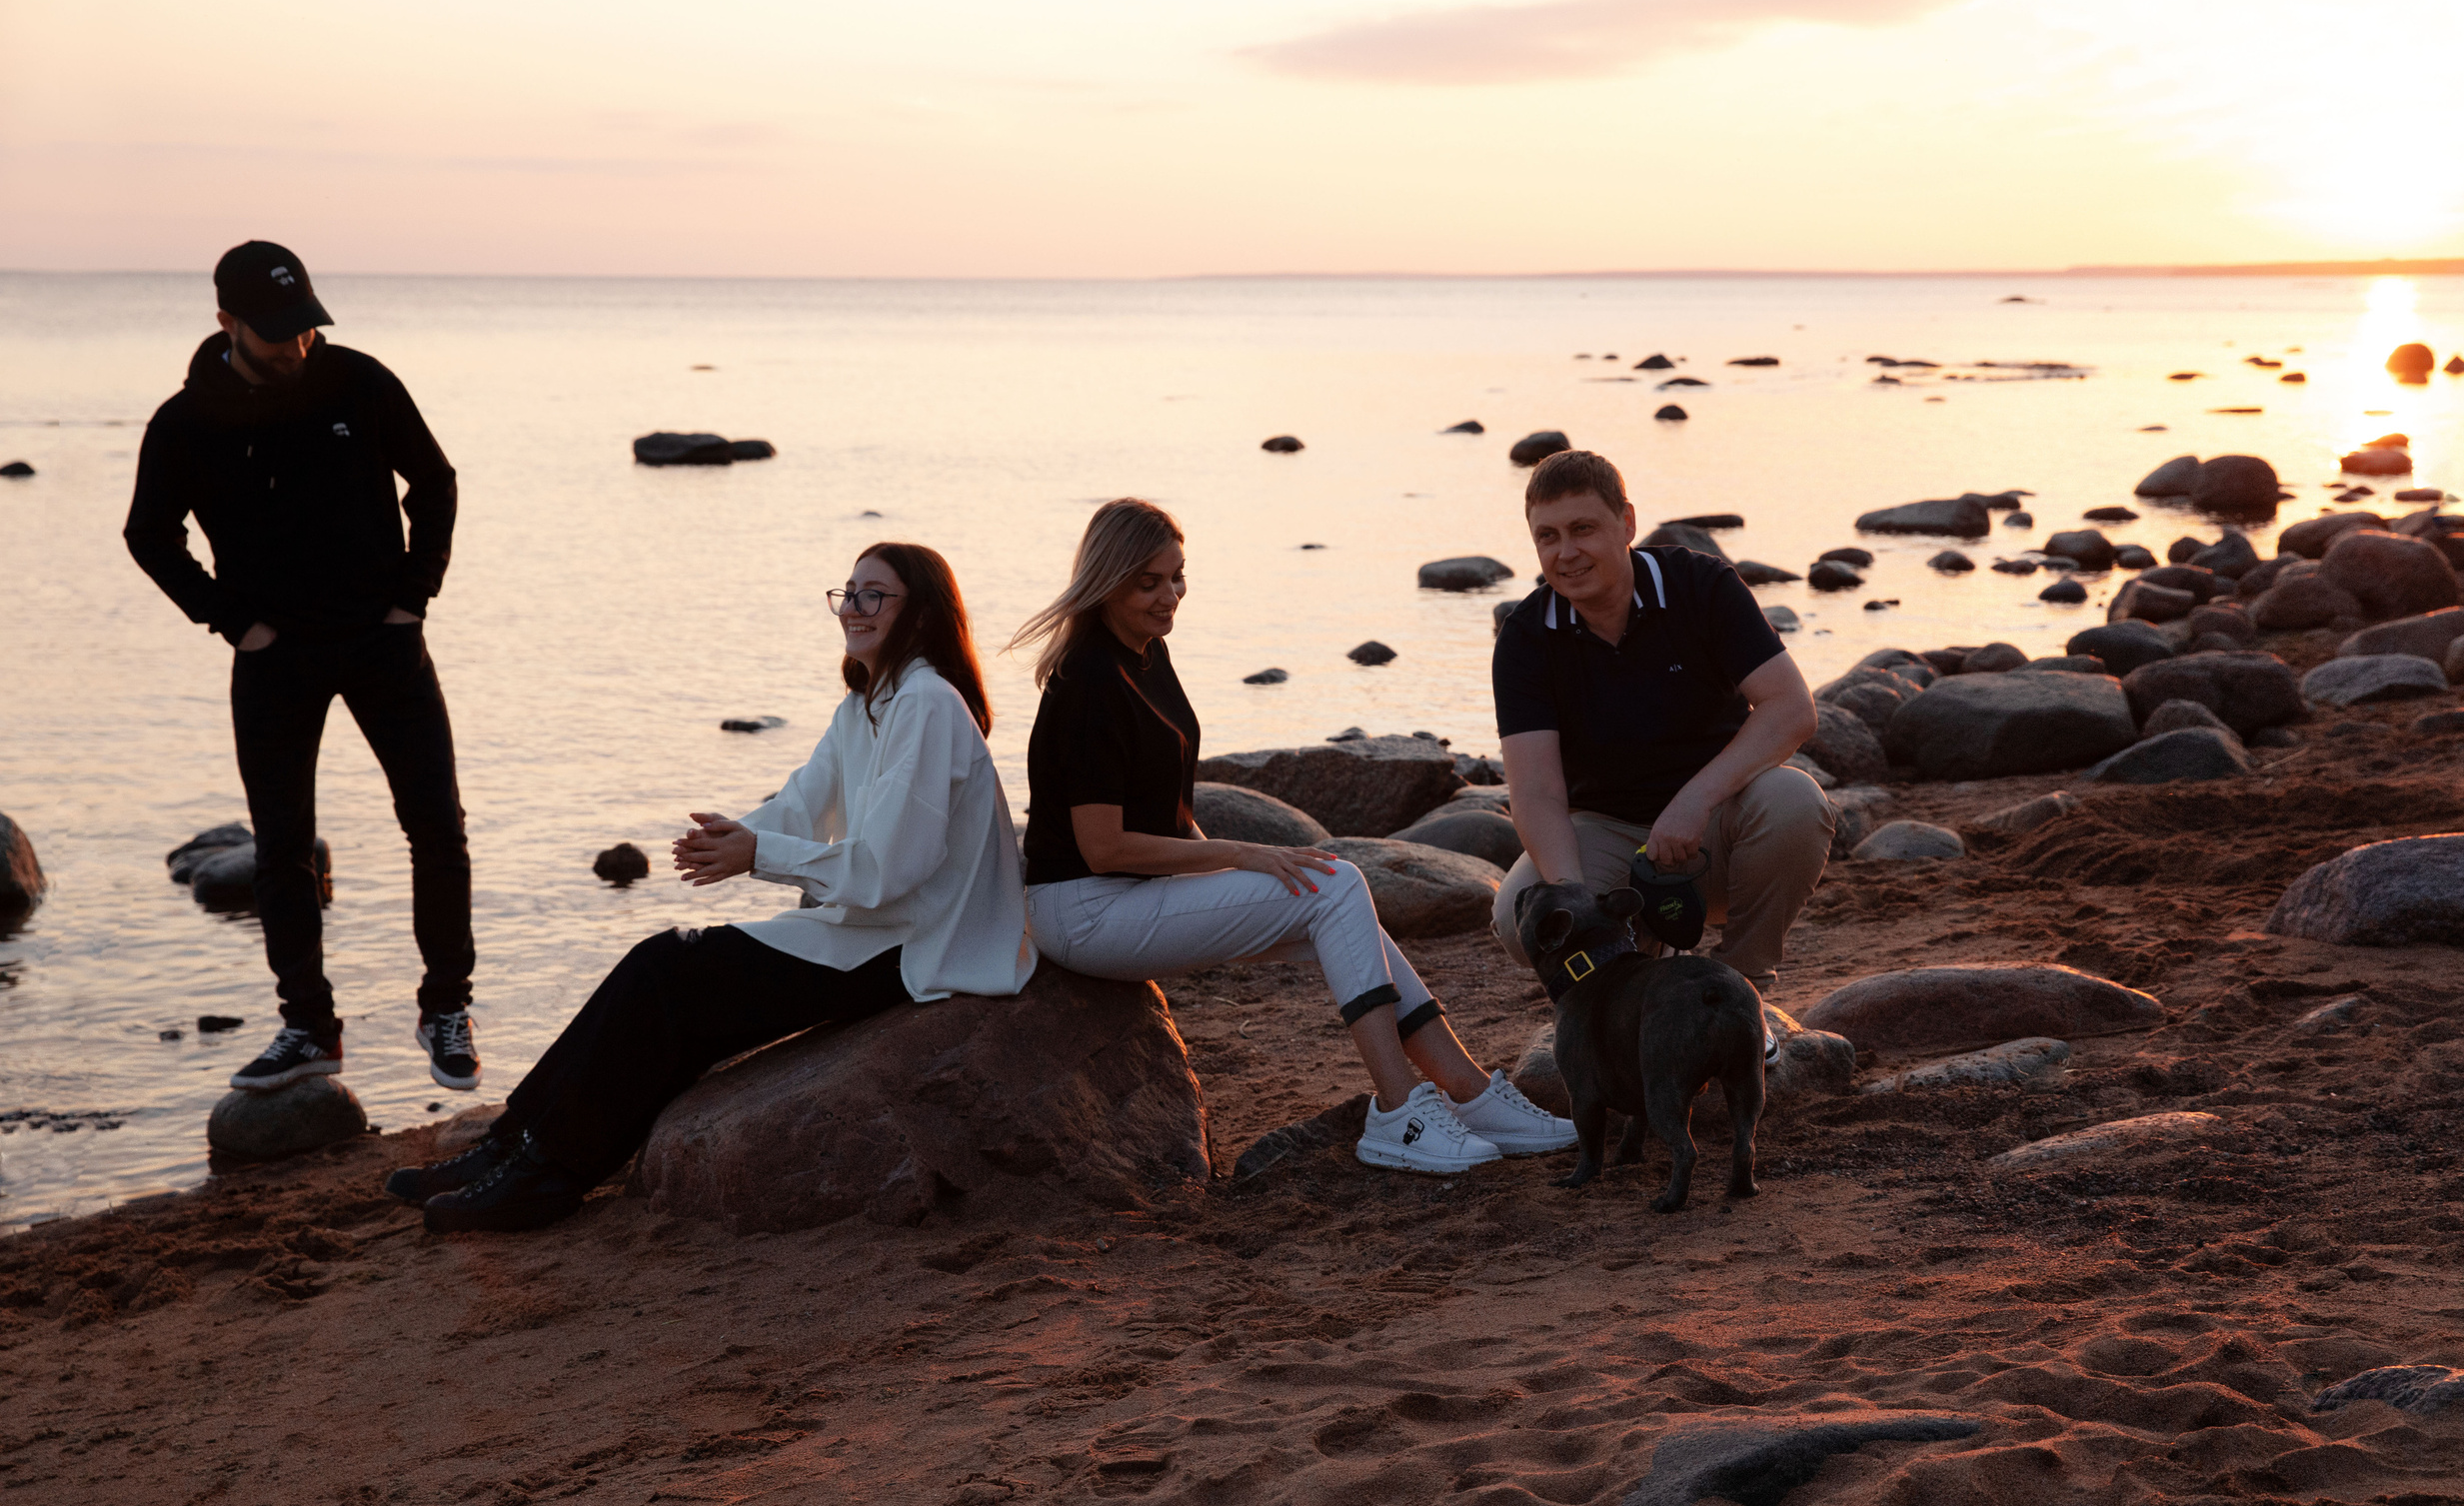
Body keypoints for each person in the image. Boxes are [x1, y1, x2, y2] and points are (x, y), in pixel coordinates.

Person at [384, 543, 1036, 1233]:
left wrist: (761, 855)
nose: (853, 607)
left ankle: (544, 1174)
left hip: (923, 945)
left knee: (672, 974)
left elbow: (889, 868)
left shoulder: (928, 702)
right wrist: (738, 837)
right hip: (877, 926)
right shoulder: (870, 702)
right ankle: (510, 1143)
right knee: (666, 972)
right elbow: (804, 800)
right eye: (847, 592)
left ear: (925, 614)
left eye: (875, 594)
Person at [1010, 499, 1576, 1175]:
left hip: (1131, 894)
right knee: (1334, 886)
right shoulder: (1087, 682)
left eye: (1178, 577)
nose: (1170, 597)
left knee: (1335, 892)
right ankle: (1398, 1111)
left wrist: (1258, 869)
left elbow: (1168, 809)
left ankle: (1472, 1094)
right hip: (1084, 910)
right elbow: (1104, 847)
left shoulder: (1145, 653)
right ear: (1107, 580)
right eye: (1149, 582)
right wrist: (1247, 853)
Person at [125, 241, 479, 1095]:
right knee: (281, 847)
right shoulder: (185, 421)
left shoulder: (359, 381)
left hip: (381, 638)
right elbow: (148, 535)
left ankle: (447, 1008)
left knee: (436, 823)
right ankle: (308, 1028)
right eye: (276, 333)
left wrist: (413, 596)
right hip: (274, 653)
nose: (295, 346)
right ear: (227, 324)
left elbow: (432, 482)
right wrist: (232, 622)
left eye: (304, 327)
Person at [1489, 450, 1833, 1022]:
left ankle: (1742, 994)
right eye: (1546, 536)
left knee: (1795, 801)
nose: (1565, 553)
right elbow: (1536, 793)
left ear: (1626, 523)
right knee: (1518, 916)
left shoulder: (1699, 584)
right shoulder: (1527, 637)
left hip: (1717, 826)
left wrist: (1693, 801)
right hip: (1605, 830)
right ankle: (1638, 986)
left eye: (1583, 529)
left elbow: (1791, 709)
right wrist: (1579, 903)